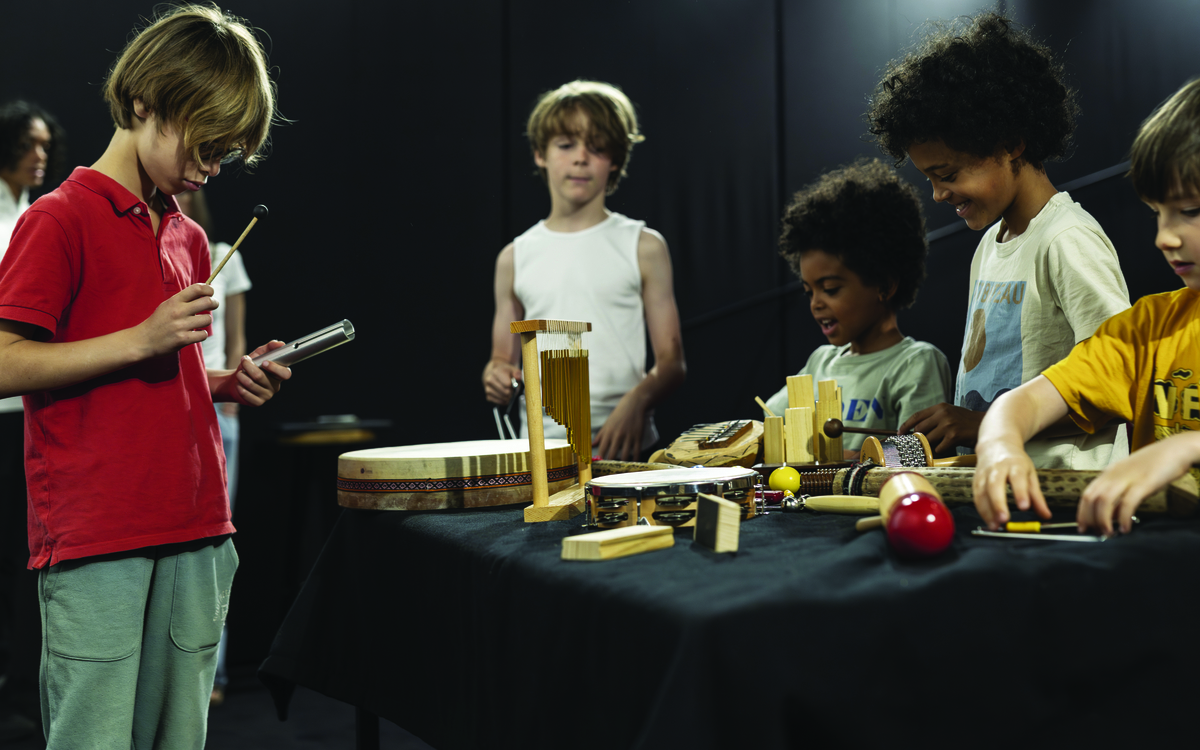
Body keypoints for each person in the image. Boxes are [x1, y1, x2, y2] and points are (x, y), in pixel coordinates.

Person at [0, 6, 289, 748]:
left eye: (228, 152)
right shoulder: (58, 219)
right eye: (207, 142)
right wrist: (141, 339)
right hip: (100, 537)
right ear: (145, 103)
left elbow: (165, 367)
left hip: (195, 525)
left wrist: (221, 380)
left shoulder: (189, 235)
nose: (213, 167)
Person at [867, 11, 1130, 468]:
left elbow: (1121, 383)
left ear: (1011, 143)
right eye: (928, 178)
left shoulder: (1067, 239)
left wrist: (987, 423)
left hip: (1062, 506)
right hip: (998, 492)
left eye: (947, 174)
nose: (937, 194)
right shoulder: (991, 244)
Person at [973, 77, 1200, 536]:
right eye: (1158, 212)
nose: (1164, 237)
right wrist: (999, 443)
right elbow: (1025, 402)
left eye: (1190, 211)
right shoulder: (1148, 328)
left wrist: (1186, 448)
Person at [483, 80, 685, 461]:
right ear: (540, 153)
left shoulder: (643, 245)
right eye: (566, 145)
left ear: (616, 160)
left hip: (625, 449)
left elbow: (672, 364)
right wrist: (495, 376)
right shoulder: (514, 256)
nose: (580, 158)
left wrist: (636, 402)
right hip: (542, 454)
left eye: (597, 147)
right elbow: (501, 361)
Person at [762, 158, 952, 458]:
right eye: (809, 291)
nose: (816, 303)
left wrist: (844, 458)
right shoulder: (820, 363)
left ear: (884, 286)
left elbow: (921, 456)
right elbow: (765, 425)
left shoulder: (915, 363)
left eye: (831, 289)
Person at [0, 94, 63, 750]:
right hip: (4, 399)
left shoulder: (32, 215)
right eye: (30, 143)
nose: (41, 156)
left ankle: (24, 693)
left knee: (26, 557)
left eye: (48, 145)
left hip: (28, 407)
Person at [176, 187, 250, 707]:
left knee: (212, 541)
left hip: (214, 403)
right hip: (175, 403)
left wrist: (228, 389)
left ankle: (212, 674)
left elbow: (235, 338)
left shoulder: (217, 252)